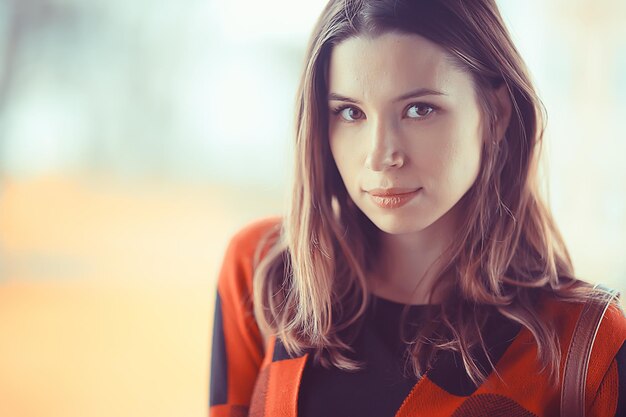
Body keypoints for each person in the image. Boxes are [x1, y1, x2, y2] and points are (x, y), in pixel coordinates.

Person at [209, 1, 626, 416]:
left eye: (419, 109)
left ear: (495, 113)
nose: (380, 156)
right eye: (350, 112)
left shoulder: (587, 347)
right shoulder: (264, 273)